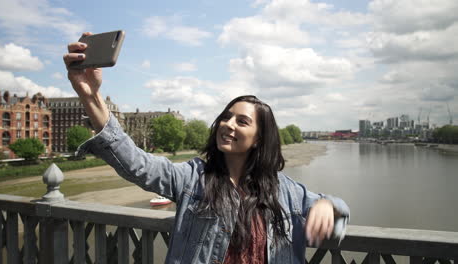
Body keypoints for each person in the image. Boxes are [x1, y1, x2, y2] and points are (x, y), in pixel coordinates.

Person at [63, 32, 349, 264]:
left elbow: (337, 219)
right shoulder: (193, 179)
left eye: (242, 121)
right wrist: (90, 95)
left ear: (260, 139)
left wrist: (328, 205)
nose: (228, 124)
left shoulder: (286, 191)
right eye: (226, 116)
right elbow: (136, 163)